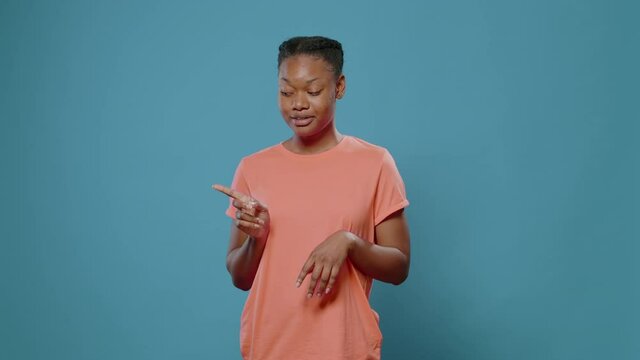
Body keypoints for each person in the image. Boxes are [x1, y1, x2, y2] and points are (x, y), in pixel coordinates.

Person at [213, 36, 411, 360]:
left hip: (346, 348)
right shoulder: (253, 168)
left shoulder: (375, 163)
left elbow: (399, 267)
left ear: (340, 87)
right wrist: (257, 239)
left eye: (313, 91)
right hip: (270, 347)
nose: (298, 104)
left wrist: (349, 242)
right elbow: (240, 277)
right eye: (286, 91)